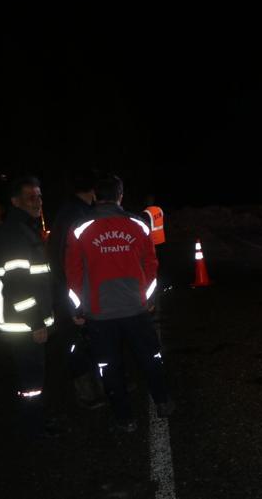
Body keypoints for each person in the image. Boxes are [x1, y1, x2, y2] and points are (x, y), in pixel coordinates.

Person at [65, 174, 173, 433]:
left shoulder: (78, 228)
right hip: (136, 309)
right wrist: (146, 299)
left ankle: (125, 418)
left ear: (95, 195)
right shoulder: (139, 224)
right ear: (120, 195)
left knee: (109, 367)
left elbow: (73, 275)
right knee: (150, 357)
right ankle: (163, 401)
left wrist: (79, 308)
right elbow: (151, 265)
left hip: (99, 314)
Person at [0, 176, 58, 437]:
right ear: (15, 201)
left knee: (31, 377)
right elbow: (17, 286)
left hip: (24, 322)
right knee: (31, 379)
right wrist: (36, 321)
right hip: (23, 324)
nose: (38, 202)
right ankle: (34, 427)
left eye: (40, 196)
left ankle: (33, 421)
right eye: (31, 197)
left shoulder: (23, 229)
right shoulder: (15, 234)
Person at [46, 168, 106, 410]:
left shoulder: (73, 211)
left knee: (89, 340)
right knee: (76, 342)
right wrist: (73, 303)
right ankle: (86, 392)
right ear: (93, 191)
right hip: (71, 291)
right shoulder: (75, 215)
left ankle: (99, 385)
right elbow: (65, 260)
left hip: (75, 289)